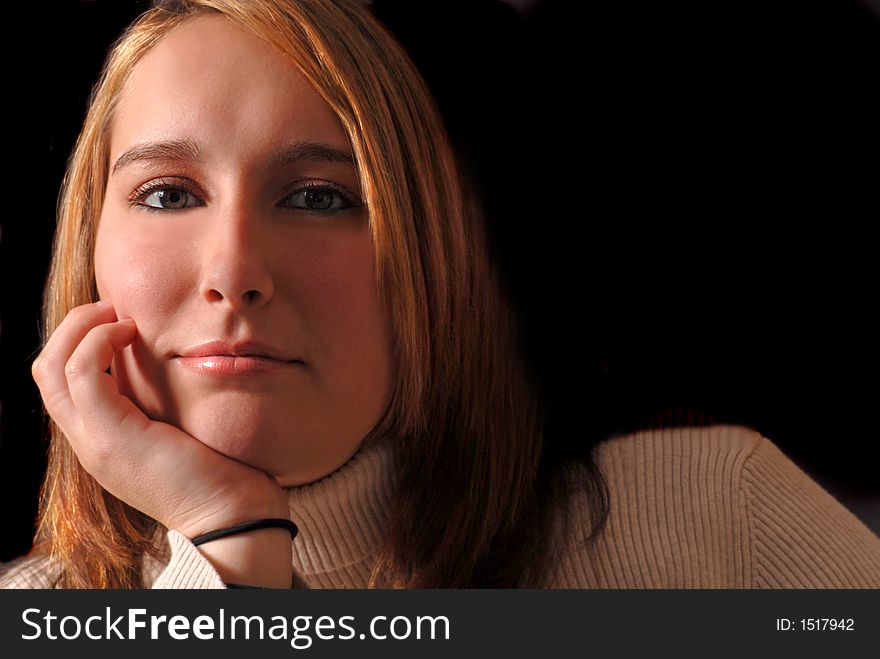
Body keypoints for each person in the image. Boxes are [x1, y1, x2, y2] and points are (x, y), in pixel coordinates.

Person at [2, 0, 879, 589]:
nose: (234, 272)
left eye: (320, 197)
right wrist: (226, 536)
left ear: (427, 258)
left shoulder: (717, 518)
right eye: (168, 194)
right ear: (90, 253)